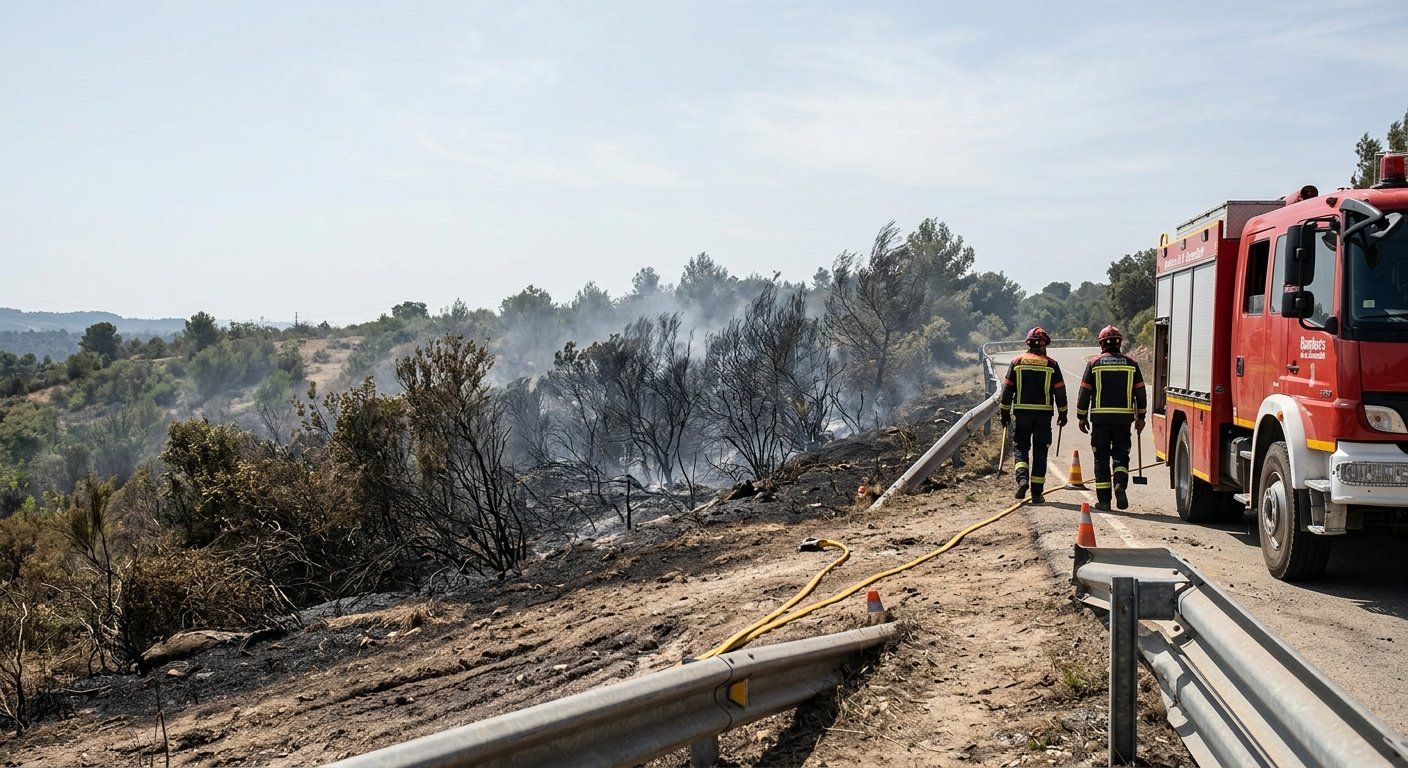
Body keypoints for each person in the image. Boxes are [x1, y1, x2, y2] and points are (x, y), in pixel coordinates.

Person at [1076, 325, 1148, 511]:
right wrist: (1141, 417)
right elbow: (1141, 394)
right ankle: (1120, 485)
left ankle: (1105, 501)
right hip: (1124, 420)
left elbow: (1084, 393)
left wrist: (1081, 417)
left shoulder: (1094, 364)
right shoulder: (1132, 364)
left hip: (1100, 420)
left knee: (1101, 458)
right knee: (1121, 455)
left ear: (1101, 344)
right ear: (1119, 343)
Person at [999, 327, 1067, 503]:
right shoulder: (1051, 364)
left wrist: (1004, 413)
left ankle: (1022, 479)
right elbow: (1060, 392)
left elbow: (1007, 391)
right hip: (1043, 416)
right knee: (1040, 452)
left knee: (1021, 448)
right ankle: (1037, 493)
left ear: (1028, 343)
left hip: (1022, 415)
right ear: (1044, 345)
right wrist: (1063, 413)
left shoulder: (1017, 362)